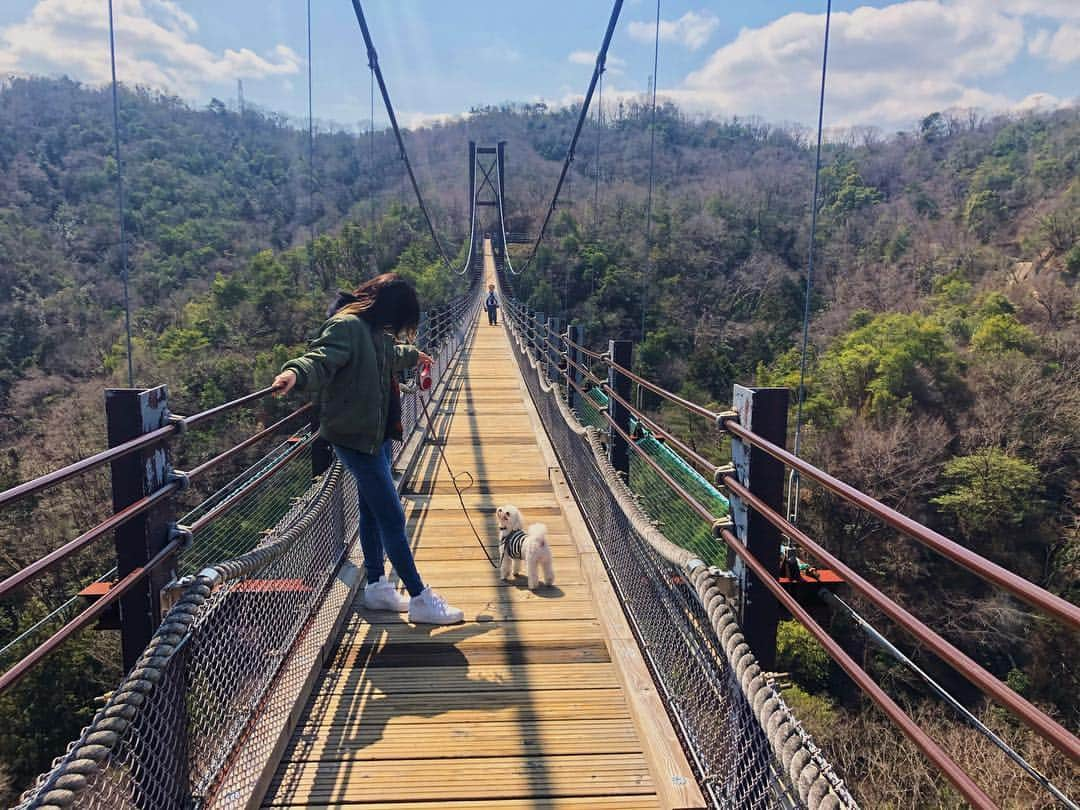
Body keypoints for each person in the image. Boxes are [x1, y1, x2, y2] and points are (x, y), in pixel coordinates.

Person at [273, 273, 464, 625]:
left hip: (376, 432)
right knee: (392, 514)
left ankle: (376, 585)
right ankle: (420, 597)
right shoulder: (346, 327)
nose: (396, 327)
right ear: (389, 310)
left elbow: (388, 354)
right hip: (356, 438)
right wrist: (294, 374)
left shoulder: (373, 330)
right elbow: (320, 358)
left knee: (373, 510)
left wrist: (414, 355)